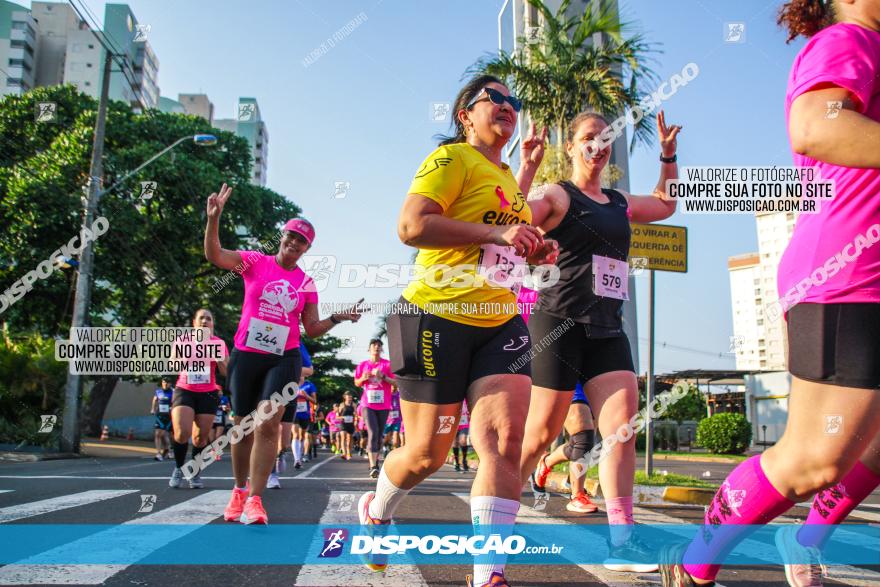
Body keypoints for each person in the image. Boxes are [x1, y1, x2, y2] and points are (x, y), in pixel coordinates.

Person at [660, 2, 880, 586]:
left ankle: (806, 537)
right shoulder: (851, 39)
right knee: (816, 458)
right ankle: (694, 558)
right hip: (852, 273)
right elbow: (817, 125)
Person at [358, 74, 557, 587]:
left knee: (503, 440)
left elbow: (506, 226)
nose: (508, 105)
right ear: (466, 115)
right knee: (428, 453)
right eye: (496, 99)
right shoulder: (451, 159)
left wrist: (533, 245)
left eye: (514, 100)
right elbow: (411, 226)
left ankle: (488, 575)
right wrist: (499, 231)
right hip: (433, 317)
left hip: (499, 324)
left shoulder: (507, 177)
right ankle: (377, 511)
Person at [203, 183, 361, 525]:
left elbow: (312, 328)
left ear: (307, 248)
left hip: (284, 356)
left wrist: (338, 317)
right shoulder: (254, 262)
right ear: (282, 236)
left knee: (269, 422)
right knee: (242, 426)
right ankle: (239, 490)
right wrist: (213, 219)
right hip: (248, 353)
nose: (293, 243)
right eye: (290, 236)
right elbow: (215, 255)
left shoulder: (306, 283)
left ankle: (257, 500)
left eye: (301, 241)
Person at [168, 308, 228, 490]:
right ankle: (179, 468)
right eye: (201, 318)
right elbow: (172, 364)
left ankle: (194, 471)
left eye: (208, 319)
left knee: (200, 438)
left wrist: (218, 358)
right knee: (181, 433)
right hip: (184, 389)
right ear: (194, 322)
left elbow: (226, 372)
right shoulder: (183, 340)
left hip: (207, 393)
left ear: (212, 324)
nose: (204, 321)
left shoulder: (218, 343)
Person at [532, 382, 599, 514]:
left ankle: (547, 462)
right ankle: (577, 495)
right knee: (582, 436)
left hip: (594, 374)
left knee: (581, 443)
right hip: (569, 374)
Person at [354, 339, 397, 478]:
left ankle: (375, 462)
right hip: (367, 404)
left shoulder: (387, 364)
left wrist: (383, 376)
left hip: (384, 405)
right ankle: (373, 466)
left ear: (381, 349)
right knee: (372, 432)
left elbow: (396, 382)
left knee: (379, 435)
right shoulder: (363, 365)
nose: (377, 347)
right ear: (369, 349)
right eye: (374, 345)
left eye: (379, 346)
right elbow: (357, 382)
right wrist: (363, 378)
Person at [276, 344, 315, 476]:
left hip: (305, 413)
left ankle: (282, 453)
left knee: (300, 437)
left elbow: (315, 401)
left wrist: (306, 396)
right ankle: (297, 459)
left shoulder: (310, 385)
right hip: (292, 411)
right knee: (296, 435)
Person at [151, 378, 173, 461]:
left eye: (167, 383)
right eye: (164, 382)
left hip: (169, 416)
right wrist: (153, 409)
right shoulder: (158, 391)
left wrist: (172, 408)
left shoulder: (173, 392)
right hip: (160, 416)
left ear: (170, 384)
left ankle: (169, 450)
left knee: (166, 435)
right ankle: (158, 453)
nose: (165, 384)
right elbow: (154, 400)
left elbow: (176, 401)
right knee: (157, 434)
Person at [209, 390, 231, 460]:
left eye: (220, 391)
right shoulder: (210, 397)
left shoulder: (224, 398)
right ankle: (213, 451)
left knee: (218, 436)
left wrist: (222, 407)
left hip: (220, 419)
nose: (220, 392)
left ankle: (217, 453)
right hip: (211, 420)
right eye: (218, 391)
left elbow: (228, 409)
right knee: (212, 439)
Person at [383, 390, 403, 457]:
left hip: (397, 419)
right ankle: (385, 447)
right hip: (388, 420)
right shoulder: (386, 393)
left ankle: (394, 454)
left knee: (396, 436)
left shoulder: (399, 394)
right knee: (386, 438)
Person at [340, 392, 356, 461]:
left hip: (351, 423)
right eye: (348, 396)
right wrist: (342, 417)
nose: (350, 397)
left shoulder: (353, 404)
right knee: (343, 438)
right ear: (345, 397)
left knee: (349, 439)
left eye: (350, 396)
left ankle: (349, 453)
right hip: (343, 423)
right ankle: (344, 453)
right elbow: (337, 416)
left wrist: (356, 421)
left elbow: (356, 414)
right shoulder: (342, 405)